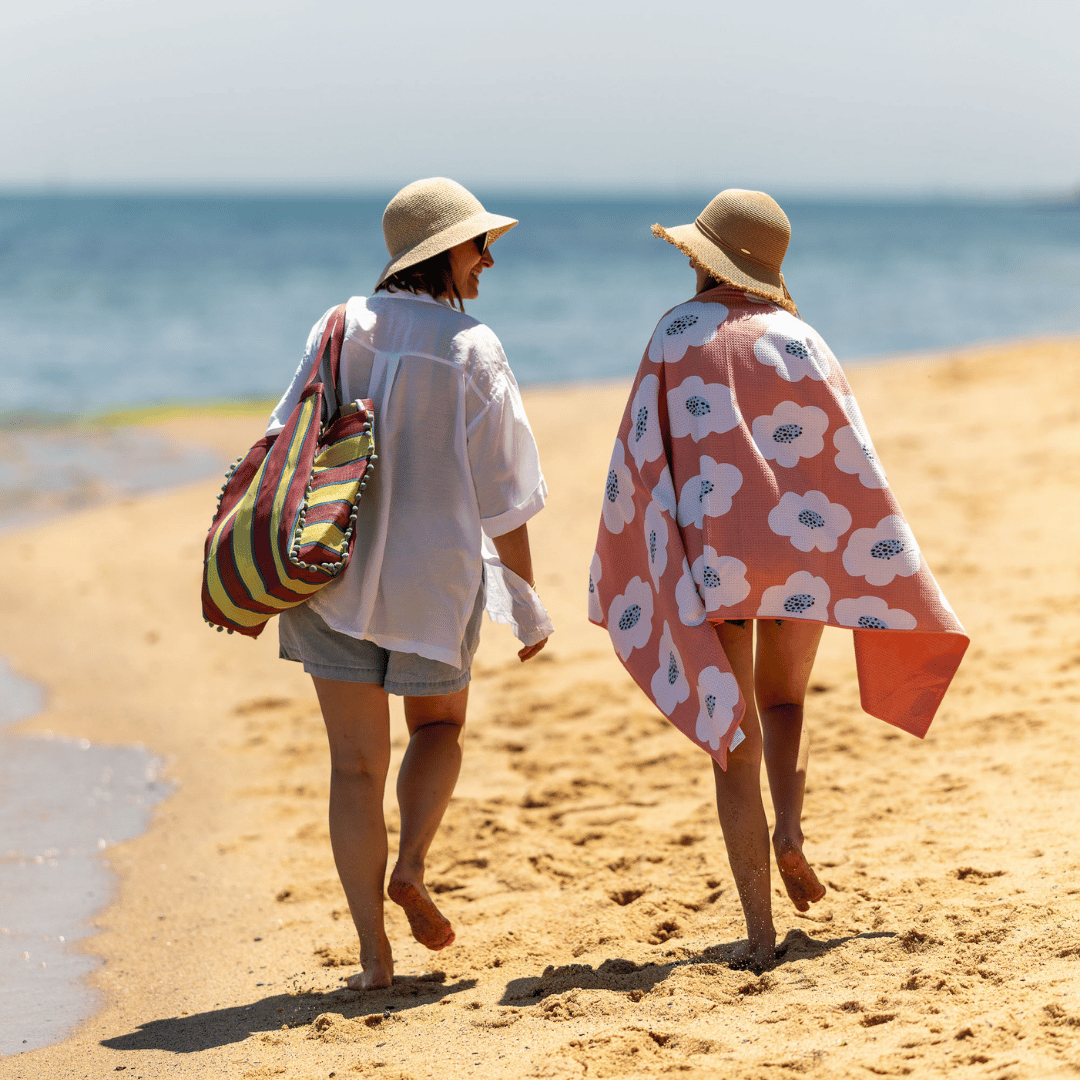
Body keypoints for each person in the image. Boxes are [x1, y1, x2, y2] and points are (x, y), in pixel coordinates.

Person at [589, 189, 968, 971]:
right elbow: (846, 451)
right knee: (785, 698)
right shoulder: (800, 338)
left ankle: (760, 931)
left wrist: (636, 554)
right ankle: (791, 831)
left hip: (717, 553)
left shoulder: (674, 332)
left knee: (732, 736)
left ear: (704, 261)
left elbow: (641, 450)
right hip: (798, 549)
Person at [268, 178, 552, 990]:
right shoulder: (473, 348)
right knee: (438, 728)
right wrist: (526, 603)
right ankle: (414, 866)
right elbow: (506, 494)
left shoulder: (337, 325)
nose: (488, 260)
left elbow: (283, 435)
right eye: (478, 245)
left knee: (353, 767)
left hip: (328, 571)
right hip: (435, 581)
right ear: (443, 253)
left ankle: (372, 956)